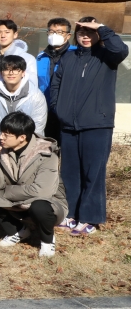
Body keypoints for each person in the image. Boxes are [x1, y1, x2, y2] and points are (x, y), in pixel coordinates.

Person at [51, 17, 129, 236]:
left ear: (97, 35)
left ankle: (89, 218)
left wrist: (102, 28)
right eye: (81, 32)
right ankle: (70, 214)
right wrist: (58, 108)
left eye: (90, 32)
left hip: (97, 125)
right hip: (69, 126)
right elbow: (56, 84)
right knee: (70, 173)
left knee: (92, 173)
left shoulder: (107, 56)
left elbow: (121, 49)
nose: (85, 36)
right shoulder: (68, 57)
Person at [0, 112, 67, 258]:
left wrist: (6, 192)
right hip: (17, 199)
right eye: (2, 133)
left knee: (40, 206)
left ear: (22, 137)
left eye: (6, 134)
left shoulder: (47, 154)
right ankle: (17, 230)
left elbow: (42, 191)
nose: (1, 137)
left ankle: (47, 240)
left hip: (48, 202)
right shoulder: (1, 150)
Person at [0, 55, 47, 145]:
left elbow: (38, 127)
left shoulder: (36, 96)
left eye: (16, 69)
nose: (11, 73)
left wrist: (27, 147)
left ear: (23, 73)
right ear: (1, 73)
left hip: (25, 145)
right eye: (6, 69)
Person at [35, 18, 75, 139]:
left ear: (68, 35)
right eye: (51, 32)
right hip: (45, 109)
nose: (54, 35)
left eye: (59, 32)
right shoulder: (40, 57)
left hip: (68, 110)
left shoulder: (76, 54)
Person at [0, 19, 38, 90]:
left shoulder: (27, 58)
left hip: (17, 96)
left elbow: (32, 85)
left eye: (7, 32)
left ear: (15, 34)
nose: (3, 35)